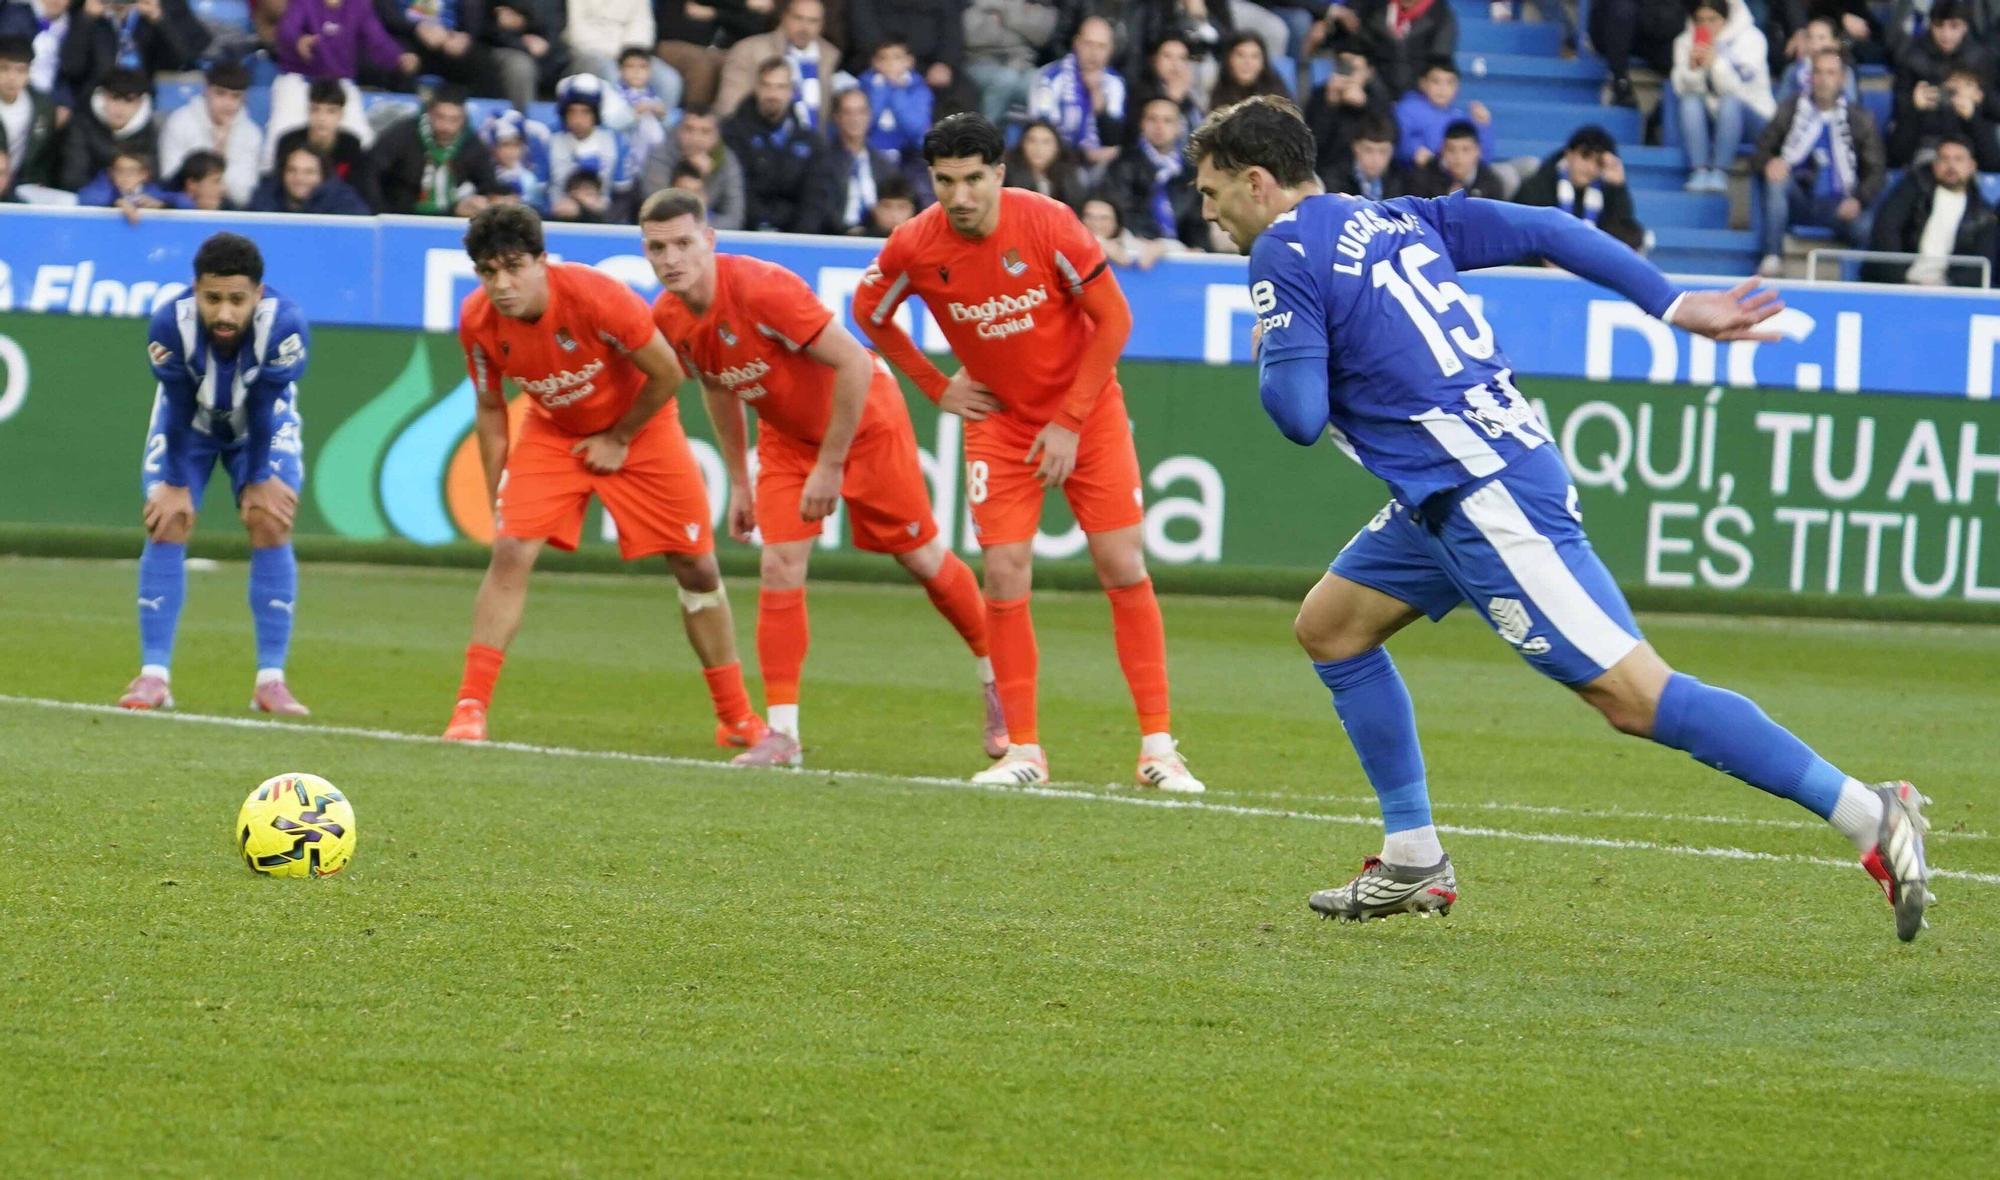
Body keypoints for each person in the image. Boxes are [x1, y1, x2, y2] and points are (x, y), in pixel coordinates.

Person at [1186, 94, 1932, 939]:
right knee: (1331, 627)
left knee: (1635, 695)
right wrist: (1671, 303)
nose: (1205, 213)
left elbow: (1295, 414)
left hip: (1483, 492)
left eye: (1211, 194)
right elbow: (1545, 226)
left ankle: (1869, 814)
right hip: (1453, 482)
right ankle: (1413, 857)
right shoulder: (1393, 216)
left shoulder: (1282, 251)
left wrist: (1275, 350)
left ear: (1256, 182)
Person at [854, 113, 1204, 793]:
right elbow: (869, 314)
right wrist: (934, 385)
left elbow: (1115, 320)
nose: (959, 196)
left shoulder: (1048, 224)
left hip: (1087, 413)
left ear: (999, 174)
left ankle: (1159, 748)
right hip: (1001, 423)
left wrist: (1070, 421)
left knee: (1121, 562)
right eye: (946, 180)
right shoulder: (913, 246)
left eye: (973, 178)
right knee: (1005, 572)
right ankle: (1023, 752)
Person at [643, 188, 1004, 767]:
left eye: (683, 243)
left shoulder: (763, 287)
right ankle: (782, 734)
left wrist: (830, 466)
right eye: (657, 248)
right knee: (779, 563)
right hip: (786, 440)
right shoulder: (667, 315)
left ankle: (998, 677)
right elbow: (716, 384)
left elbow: (855, 362)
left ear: (709, 241)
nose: (670, 259)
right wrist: (739, 479)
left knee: (924, 560)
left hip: (866, 423)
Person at [444, 204, 766, 750]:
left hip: (641, 430)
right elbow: (491, 406)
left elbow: (668, 372)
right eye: (488, 271)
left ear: (543, 260)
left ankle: (735, 717)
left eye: (514, 267)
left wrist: (619, 438)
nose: (502, 284)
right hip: (553, 434)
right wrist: (500, 481)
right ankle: (469, 709)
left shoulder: (597, 296)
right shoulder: (477, 321)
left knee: (696, 565)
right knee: (511, 549)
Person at [120, 233, 312, 718]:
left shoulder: (285, 326)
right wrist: (177, 484)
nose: (224, 314)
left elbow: (266, 407)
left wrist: (259, 476)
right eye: (212, 299)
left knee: (269, 518)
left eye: (236, 300)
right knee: (167, 519)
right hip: (191, 423)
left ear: (258, 294)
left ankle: (271, 681)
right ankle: (153, 676)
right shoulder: (169, 323)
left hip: (260, 426)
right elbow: (179, 408)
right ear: (195, 290)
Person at [1752, 47, 1884, 277]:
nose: (1824, 80)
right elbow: (1760, 152)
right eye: (1819, 73)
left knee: (1867, 226)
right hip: (1798, 199)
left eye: (1831, 73)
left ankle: (1859, 279)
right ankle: (1772, 256)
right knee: (1776, 180)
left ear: (1842, 78)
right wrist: (1768, 163)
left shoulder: (1860, 118)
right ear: (1810, 77)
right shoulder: (1790, 109)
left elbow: (1876, 171)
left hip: (1839, 204)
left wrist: (1859, 200)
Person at [1863, 133, 1996, 286]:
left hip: (1949, 293)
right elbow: (1886, 228)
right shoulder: (1913, 189)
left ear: (1972, 166)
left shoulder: (1983, 214)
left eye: (1958, 159)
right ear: (1934, 165)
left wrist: (1949, 286)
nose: (1951, 165)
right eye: (1944, 159)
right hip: (1898, 284)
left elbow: (1979, 264)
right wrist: (1898, 280)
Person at [1669, 0, 1773, 193]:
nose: (1706, 26)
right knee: (1690, 102)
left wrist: (1716, 64)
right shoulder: (1684, 41)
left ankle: (1719, 172)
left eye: (1712, 19)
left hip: (1754, 118)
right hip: (1714, 116)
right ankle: (1699, 170)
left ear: (1726, 18)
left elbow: (1739, 91)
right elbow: (1679, 89)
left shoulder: (1752, 39)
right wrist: (1694, 69)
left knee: (1730, 103)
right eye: (1700, 20)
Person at [724, 54, 830, 232]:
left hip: (795, 239)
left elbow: (814, 198)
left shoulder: (810, 142)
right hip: (745, 233)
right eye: (767, 86)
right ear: (756, 88)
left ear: (792, 92)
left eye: (780, 87)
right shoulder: (732, 133)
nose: (773, 94)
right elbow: (737, 190)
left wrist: (800, 238)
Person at [1513, 125, 1646, 251]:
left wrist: (1618, 188)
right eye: (1585, 156)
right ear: (1569, 154)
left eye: (1598, 162)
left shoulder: (1607, 193)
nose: (1590, 167)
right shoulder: (1537, 186)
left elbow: (1622, 237)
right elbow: (1520, 235)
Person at [370, 85, 497, 216]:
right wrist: (382, 213)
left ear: (463, 119)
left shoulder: (471, 143)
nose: (446, 127)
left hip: (451, 216)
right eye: (440, 117)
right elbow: (369, 171)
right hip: (400, 216)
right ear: (429, 113)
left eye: (454, 119)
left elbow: (488, 182)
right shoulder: (403, 134)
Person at [715, 0, 840, 132]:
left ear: (822, 24)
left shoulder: (830, 56)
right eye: (798, 18)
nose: (804, 27)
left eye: (813, 21)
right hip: (756, 141)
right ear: (784, 17)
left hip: (813, 146)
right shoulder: (749, 50)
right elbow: (730, 108)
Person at [1102, 94, 1207, 248]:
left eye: (1167, 120)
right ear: (1142, 124)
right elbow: (1122, 213)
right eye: (1152, 119)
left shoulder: (1192, 171)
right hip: (1137, 249)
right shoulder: (1122, 165)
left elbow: (1197, 220)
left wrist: (1198, 247)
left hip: (1182, 253)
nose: (1159, 126)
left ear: (1179, 127)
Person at [156, 59, 262, 209]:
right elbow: (170, 178)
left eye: (235, 96)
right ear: (206, 90)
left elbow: (243, 196)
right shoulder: (180, 122)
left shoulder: (251, 134)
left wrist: (221, 156)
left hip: (228, 209)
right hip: (183, 208)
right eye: (221, 94)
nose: (227, 103)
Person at [1028, 14, 1125, 173]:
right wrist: (1083, 155)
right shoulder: (1050, 77)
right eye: (1088, 44)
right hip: (1056, 163)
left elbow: (1113, 140)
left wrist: (1099, 101)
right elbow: (1043, 133)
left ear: (1111, 50)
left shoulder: (1115, 83)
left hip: (1100, 167)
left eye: (1101, 46)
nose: (1094, 53)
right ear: (1076, 43)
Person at [269, 78, 375, 207]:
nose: (322, 118)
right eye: (316, 110)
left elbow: (357, 189)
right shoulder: (288, 142)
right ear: (308, 111)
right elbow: (277, 188)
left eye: (331, 111)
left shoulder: (351, 145)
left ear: (341, 114)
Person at [639, 102, 745, 229]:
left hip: (710, 234)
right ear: (678, 130)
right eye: (689, 129)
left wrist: (706, 179)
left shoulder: (728, 161)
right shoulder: (660, 155)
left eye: (705, 132)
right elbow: (656, 208)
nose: (696, 138)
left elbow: (734, 218)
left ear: (717, 136)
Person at [962, 0, 1061, 125]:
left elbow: (1042, 35)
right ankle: (983, 137)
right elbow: (971, 37)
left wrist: (1004, 14)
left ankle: (1036, 142)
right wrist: (1022, 20)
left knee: (1046, 84)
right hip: (980, 63)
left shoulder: (1038, 3)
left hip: (1022, 66)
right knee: (1006, 79)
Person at [57, 65, 153, 192]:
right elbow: (72, 178)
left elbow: (153, 178)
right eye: (114, 98)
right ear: (102, 97)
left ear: (140, 103)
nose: (120, 108)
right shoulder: (80, 126)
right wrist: (112, 198)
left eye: (129, 100)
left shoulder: (149, 131)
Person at [1392, 60, 1490, 168]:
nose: (1442, 88)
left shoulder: (1460, 117)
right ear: (1423, 84)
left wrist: (1482, 126)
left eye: (1449, 83)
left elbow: (1482, 159)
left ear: (1457, 88)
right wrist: (1414, 151)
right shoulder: (1407, 109)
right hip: (1414, 175)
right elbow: (1396, 140)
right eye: (1436, 81)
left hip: (1452, 177)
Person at [0, 35, 58, 194]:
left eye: (20, 70)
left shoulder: (43, 106)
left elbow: (46, 154)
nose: (12, 78)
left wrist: (41, 181)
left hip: (26, 187)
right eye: (4, 68)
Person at [247, 142, 372, 213]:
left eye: (309, 172)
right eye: (292, 170)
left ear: (323, 176)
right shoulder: (265, 197)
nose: (299, 178)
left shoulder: (344, 202)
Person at [1001, 116, 1087, 210]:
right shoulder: (1007, 174)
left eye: (1046, 142)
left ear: (1057, 147)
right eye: (1032, 141)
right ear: (1022, 145)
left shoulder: (1069, 174)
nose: (1038, 148)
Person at [1320, 111, 1407, 199]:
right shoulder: (1334, 179)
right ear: (1356, 148)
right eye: (1368, 150)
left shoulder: (1399, 180)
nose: (1375, 159)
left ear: (1392, 151)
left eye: (1383, 151)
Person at [1410, 119, 1503, 198]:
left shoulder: (1490, 183)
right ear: (1442, 150)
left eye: (1466, 150)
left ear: (1478, 151)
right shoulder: (1423, 178)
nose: (1458, 157)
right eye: (1451, 150)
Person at [1207, 31, 1286, 109]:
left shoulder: (1277, 99)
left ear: (1263, 63)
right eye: (1240, 55)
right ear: (1229, 59)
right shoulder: (1215, 93)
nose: (1247, 62)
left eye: (1254, 56)